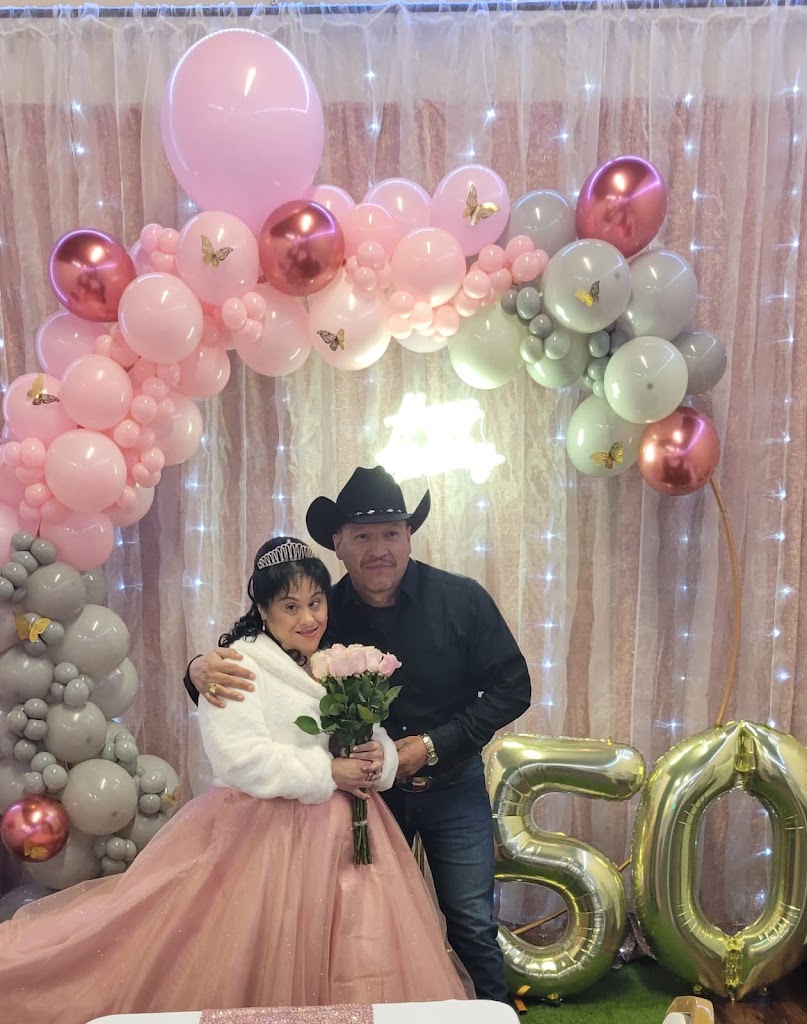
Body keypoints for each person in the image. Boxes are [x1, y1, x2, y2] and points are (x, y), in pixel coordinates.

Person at [0, 537, 466, 1023]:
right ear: (263, 609)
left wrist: (378, 758)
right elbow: (240, 759)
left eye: (316, 602)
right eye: (290, 606)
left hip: (349, 841)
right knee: (259, 954)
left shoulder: (333, 662)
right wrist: (328, 772)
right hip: (268, 840)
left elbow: (371, 735)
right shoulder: (236, 666)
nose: (308, 618)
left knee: (358, 952)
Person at [186, 468, 532, 1003]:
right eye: (363, 536)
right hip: (361, 799)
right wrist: (196, 669)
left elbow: (514, 687)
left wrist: (432, 746)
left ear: (409, 536)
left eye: (391, 532)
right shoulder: (320, 611)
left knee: (470, 921)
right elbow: (257, 659)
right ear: (339, 543)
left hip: (451, 786)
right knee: (360, 931)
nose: (378, 549)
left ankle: (493, 1015)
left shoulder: (461, 599)